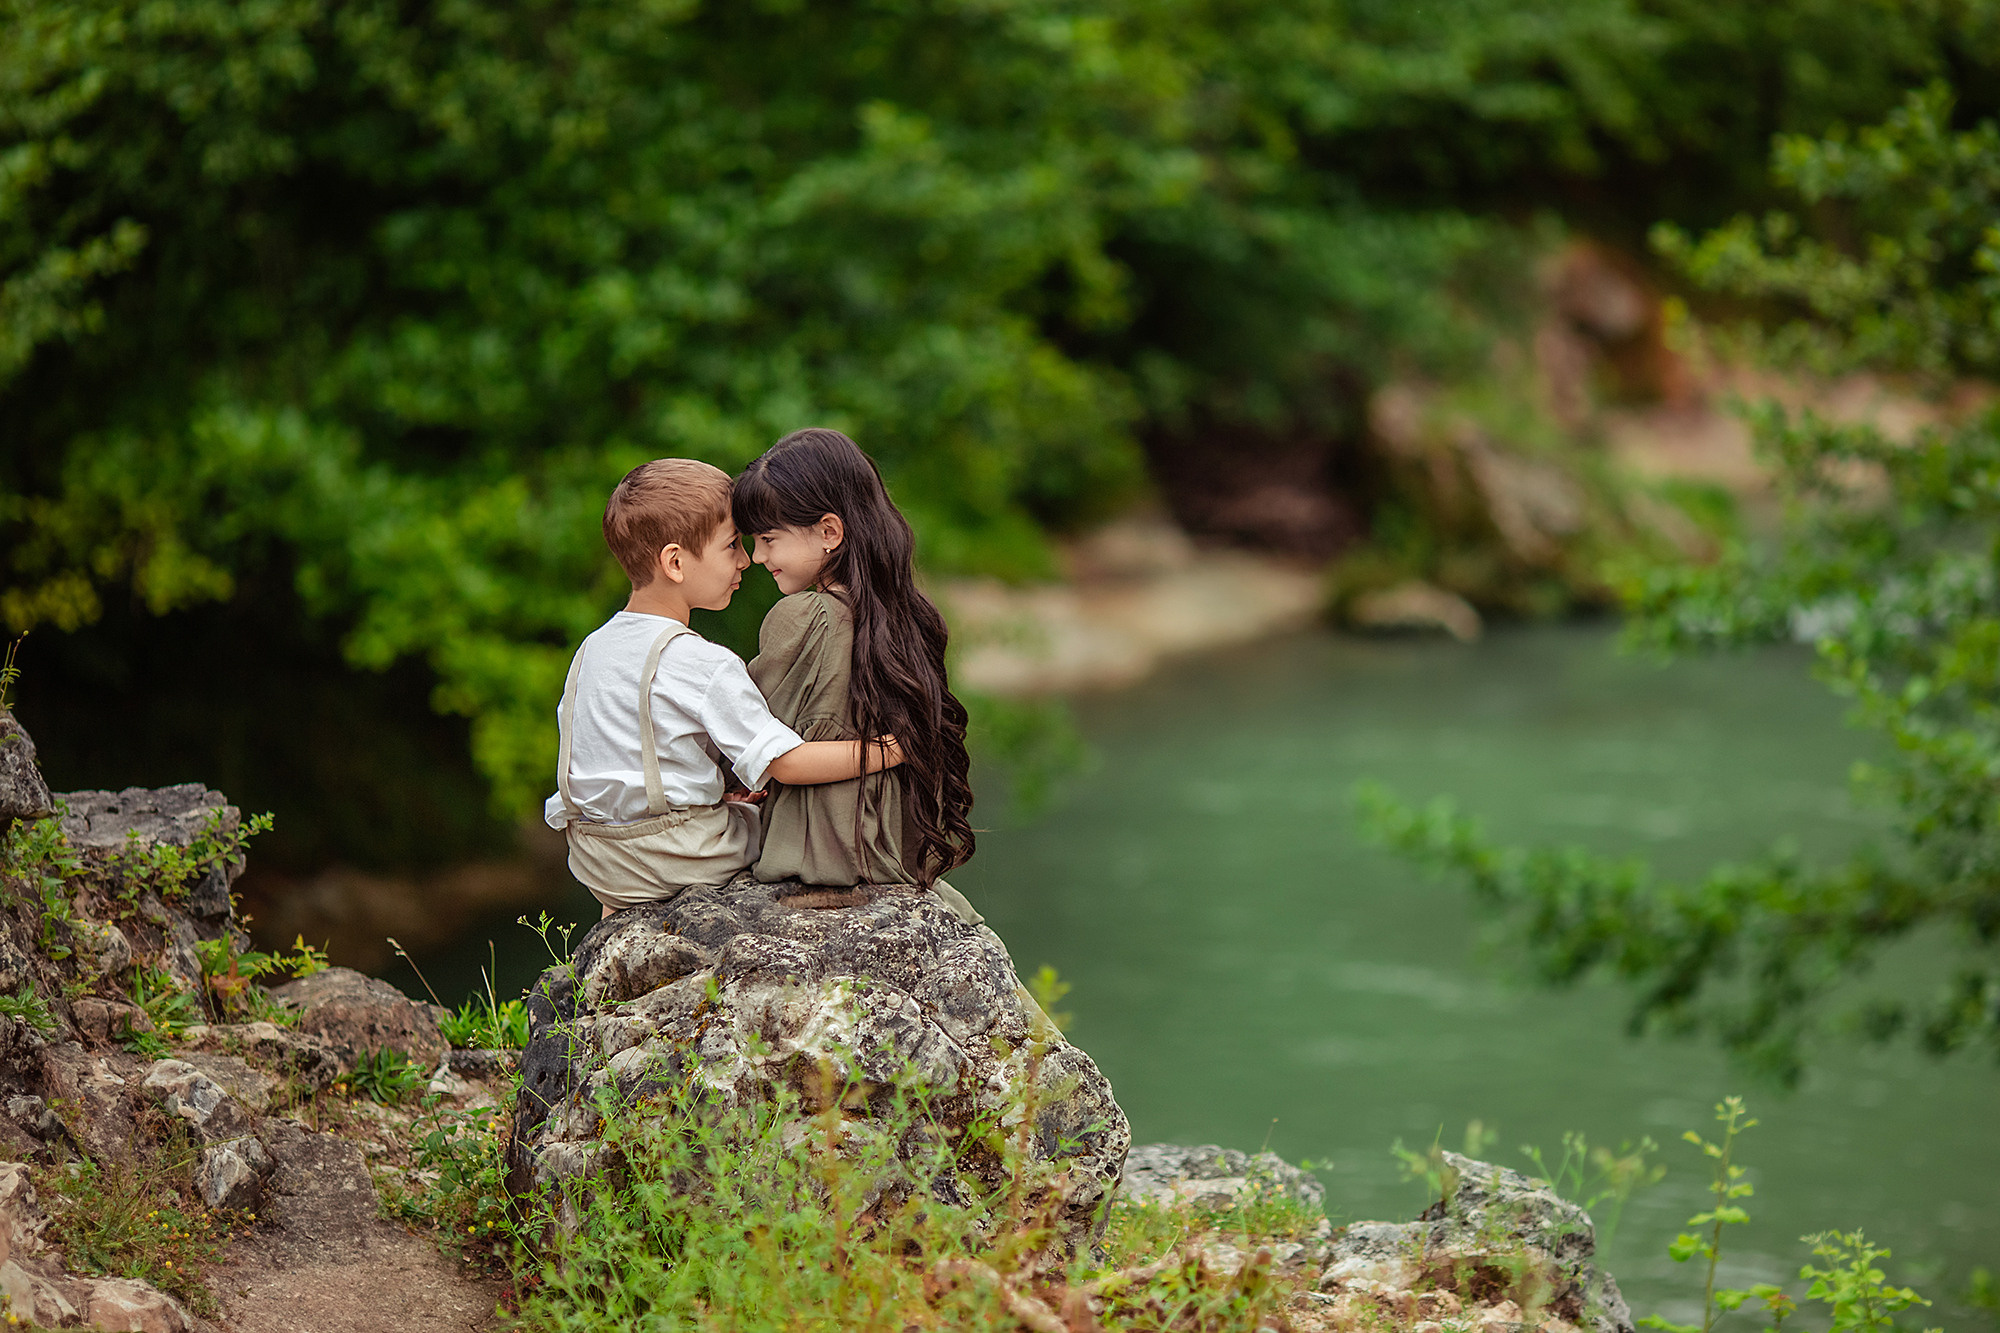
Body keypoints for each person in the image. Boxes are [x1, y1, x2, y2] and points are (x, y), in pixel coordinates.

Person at [546, 458, 906, 918]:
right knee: (784, 823)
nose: (746, 560)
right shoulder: (699, 661)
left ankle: (613, 942)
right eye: (732, 544)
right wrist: (892, 749)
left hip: (596, 859)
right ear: (675, 562)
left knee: (732, 806)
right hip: (676, 855)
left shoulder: (592, 649)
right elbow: (787, 764)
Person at [731, 428, 983, 923]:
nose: (758, 557)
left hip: (819, 852)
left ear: (830, 532)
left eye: (768, 539)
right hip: (889, 852)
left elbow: (744, 735)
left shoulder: (804, 617)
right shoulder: (903, 617)